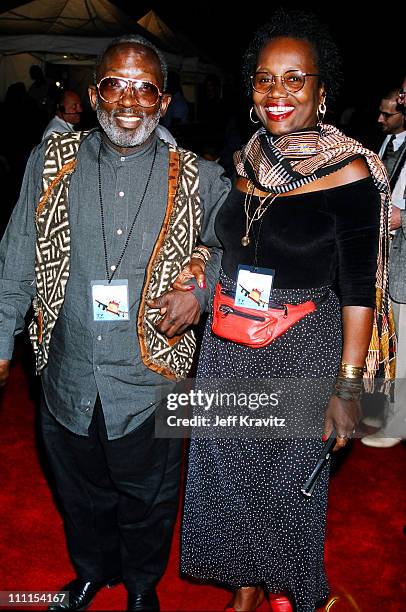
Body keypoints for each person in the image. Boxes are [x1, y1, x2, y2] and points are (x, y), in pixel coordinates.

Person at [0, 35, 229, 612]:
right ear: (94, 91)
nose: (129, 100)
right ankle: (91, 572)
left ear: (164, 98)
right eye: (115, 85)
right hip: (66, 373)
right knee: (80, 494)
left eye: (144, 87)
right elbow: (16, 255)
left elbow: (236, 242)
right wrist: (1, 340)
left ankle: (142, 587)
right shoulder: (51, 162)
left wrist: (200, 289)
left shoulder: (198, 176)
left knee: (149, 500)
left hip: (149, 379)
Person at [178, 9, 394, 612]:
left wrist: (348, 386)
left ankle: (299, 593)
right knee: (232, 477)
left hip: (302, 347)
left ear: (322, 92)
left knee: (288, 485)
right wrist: (199, 265)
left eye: (295, 79)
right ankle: (246, 589)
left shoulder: (350, 172)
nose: (278, 93)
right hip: (228, 343)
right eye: (265, 78)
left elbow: (359, 288)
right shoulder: (245, 159)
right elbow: (229, 242)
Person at [362, 84, 406, 448]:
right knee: (384, 340)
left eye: (387, 113)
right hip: (382, 259)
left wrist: (402, 217)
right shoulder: (386, 145)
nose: (380, 119)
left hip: (403, 264)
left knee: (404, 346)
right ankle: (378, 411)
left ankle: (396, 425)